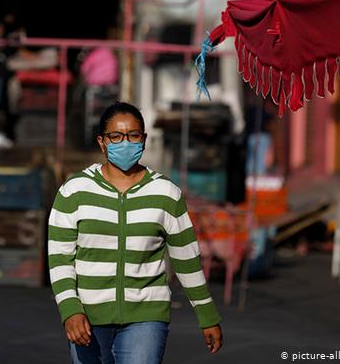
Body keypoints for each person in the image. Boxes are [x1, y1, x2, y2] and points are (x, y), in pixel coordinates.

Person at [48, 102, 223, 364]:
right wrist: (70, 310)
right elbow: (59, 258)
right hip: (87, 318)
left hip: (146, 317)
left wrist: (207, 315)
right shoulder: (74, 192)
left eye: (133, 135)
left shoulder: (166, 193)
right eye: (116, 136)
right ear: (102, 142)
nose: (125, 143)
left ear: (144, 139)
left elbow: (186, 259)